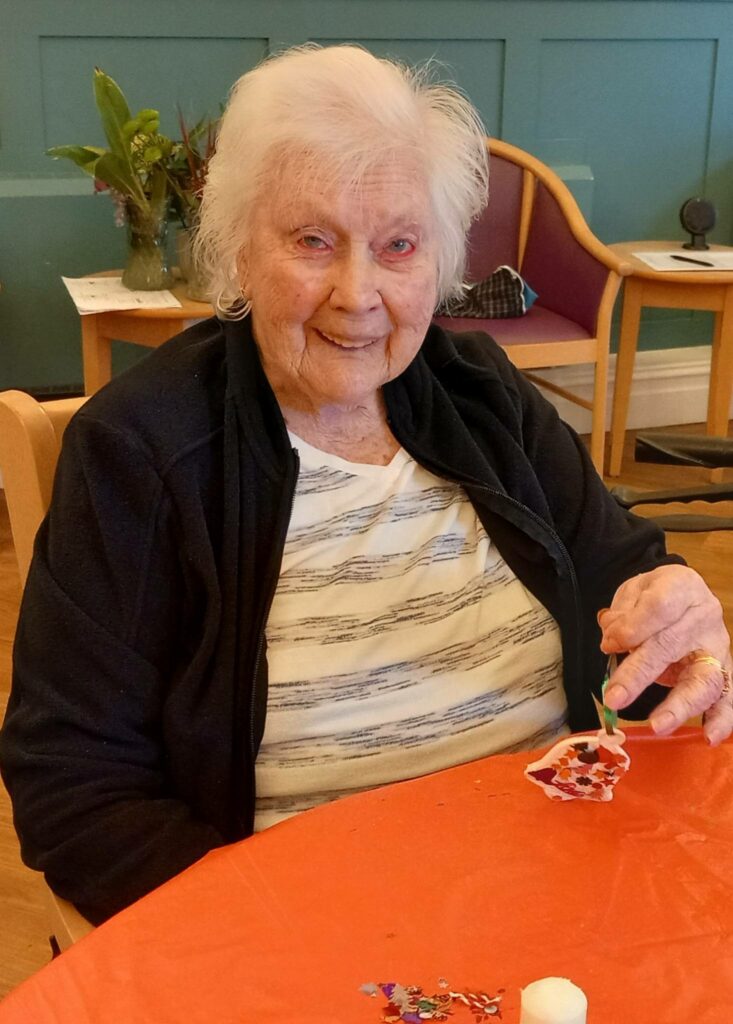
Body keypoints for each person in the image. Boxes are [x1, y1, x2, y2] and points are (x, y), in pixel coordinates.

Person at [1, 44, 731, 926]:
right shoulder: (141, 450)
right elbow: (74, 786)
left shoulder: (483, 394)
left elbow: (625, 577)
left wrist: (676, 612)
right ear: (236, 253)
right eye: (312, 241)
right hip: (303, 926)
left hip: (570, 879)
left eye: (397, 245)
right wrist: (284, 931)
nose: (359, 293)